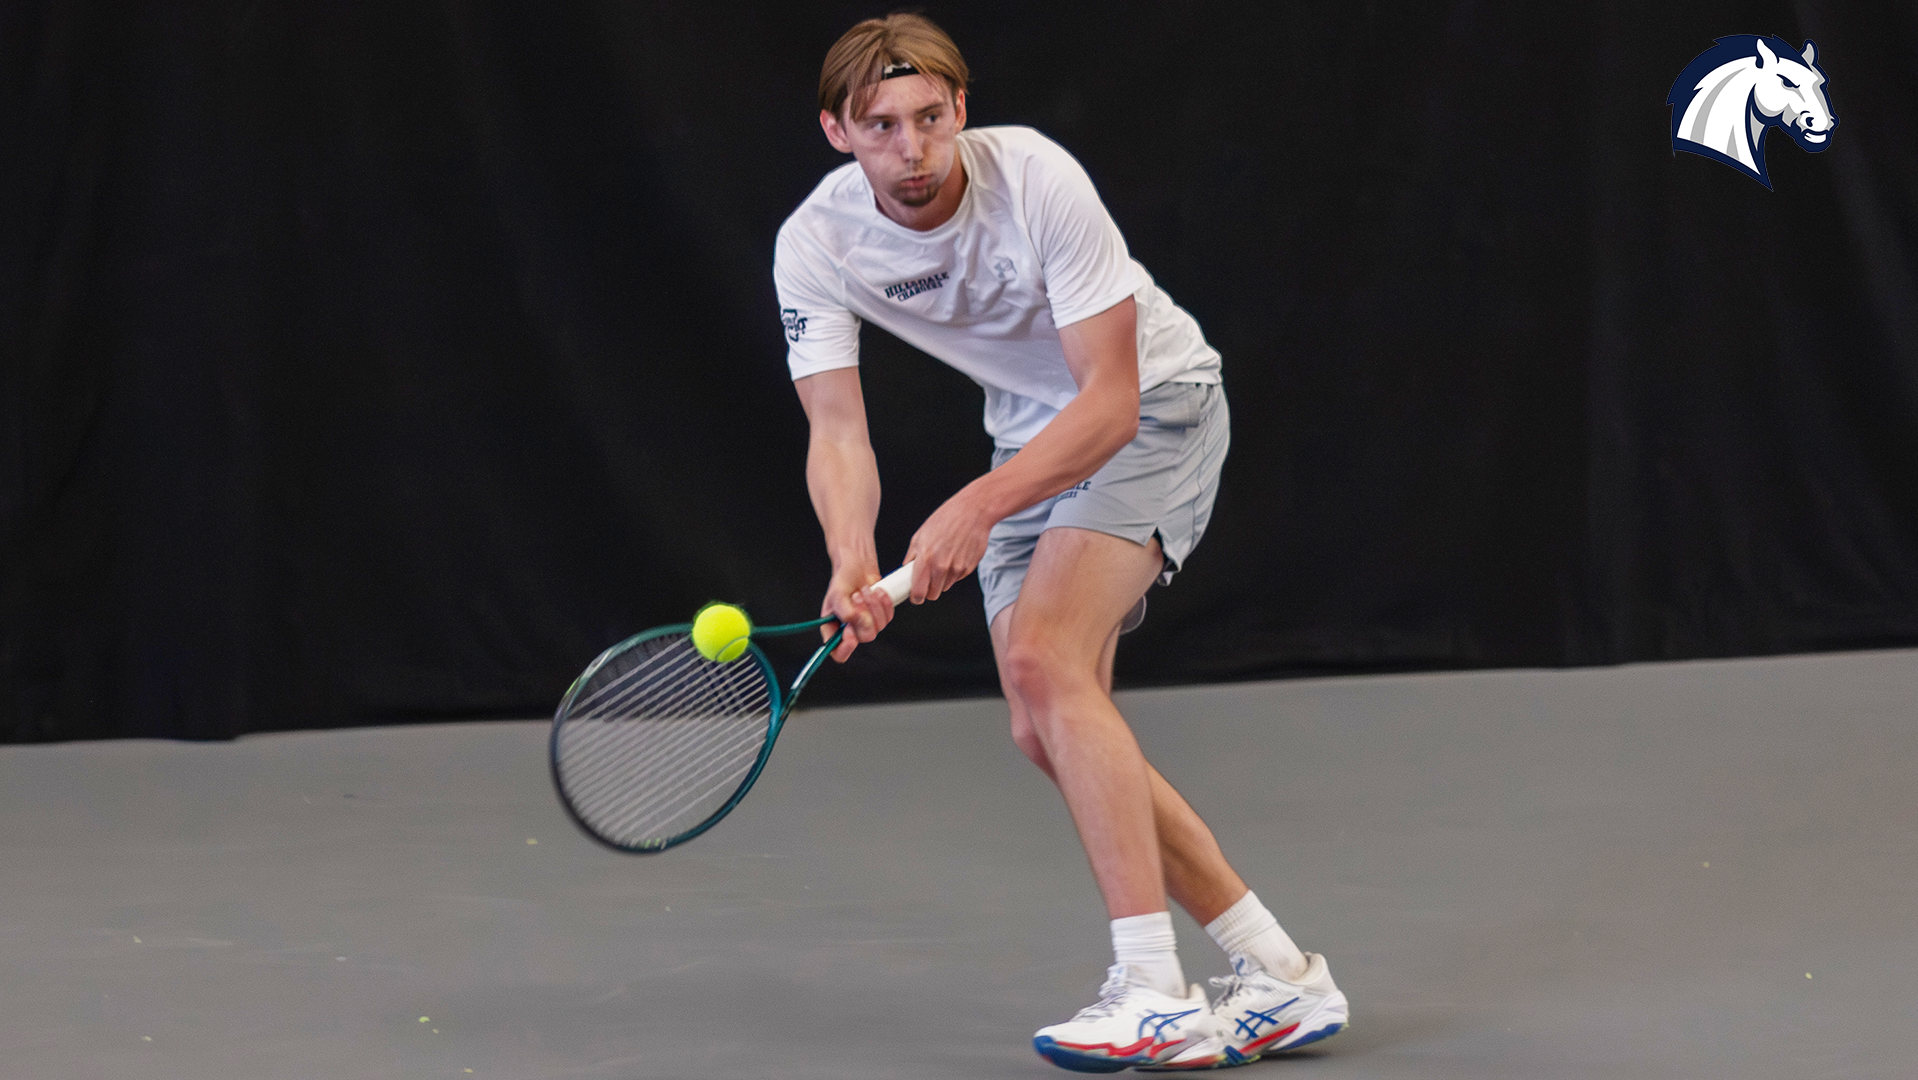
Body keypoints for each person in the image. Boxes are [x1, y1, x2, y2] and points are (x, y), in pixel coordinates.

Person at [775, 13, 1348, 1071]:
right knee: (1045, 728)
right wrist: (851, 553)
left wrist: (975, 506)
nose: (910, 149)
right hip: (1028, 437)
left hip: (1154, 407)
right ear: (836, 131)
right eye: (881, 125)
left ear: (961, 111)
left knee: (1044, 657)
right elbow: (837, 430)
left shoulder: (1035, 177)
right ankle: (1279, 976)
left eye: (929, 119)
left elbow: (1112, 404)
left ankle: (1154, 993)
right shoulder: (814, 244)